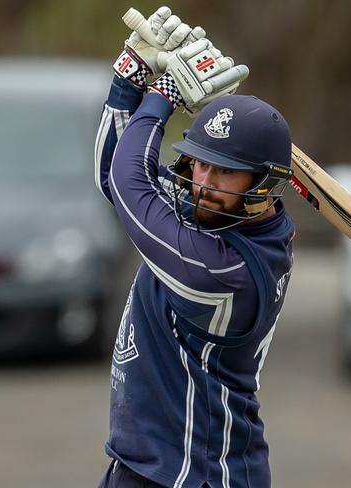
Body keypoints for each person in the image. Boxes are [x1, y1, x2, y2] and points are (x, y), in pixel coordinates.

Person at [94, 7, 295, 488]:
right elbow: (113, 175)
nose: (203, 181)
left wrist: (163, 97)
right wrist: (133, 70)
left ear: (264, 184)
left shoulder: (228, 275)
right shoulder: (206, 212)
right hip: (143, 465)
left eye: (224, 170)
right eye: (199, 163)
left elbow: (130, 183)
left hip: (199, 475)